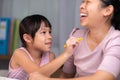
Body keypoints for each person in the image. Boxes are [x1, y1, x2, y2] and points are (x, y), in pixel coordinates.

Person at [29, 0, 120, 80]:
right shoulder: (76, 36)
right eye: (82, 1)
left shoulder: (116, 39)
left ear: (107, 10)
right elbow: (66, 76)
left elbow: (104, 78)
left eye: (88, 2)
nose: (81, 6)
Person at [7, 14, 80, 80]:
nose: (50, 37)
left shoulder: (50, 56)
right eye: (43, 32)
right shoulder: (19, 53)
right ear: (27, 38)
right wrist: (66, 54)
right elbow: (37, 75)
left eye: (50, 32)